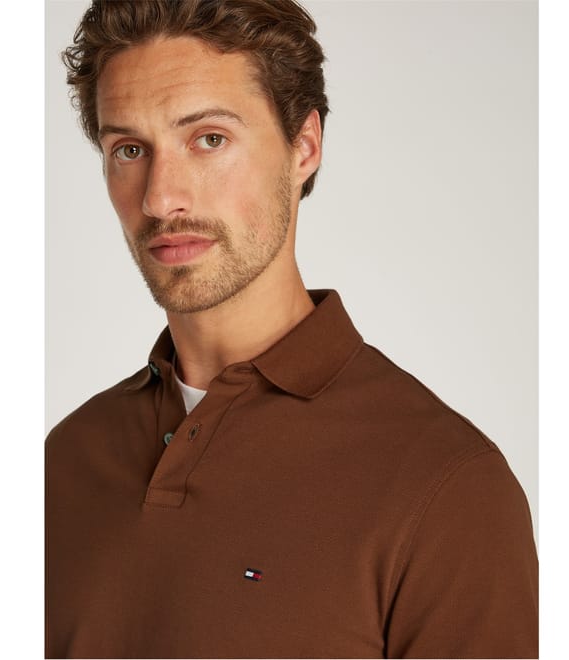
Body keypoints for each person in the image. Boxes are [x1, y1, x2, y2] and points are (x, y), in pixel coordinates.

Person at [45, 1, 538, 657]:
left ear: (303, 146)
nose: (161, 198)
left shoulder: (448, 488)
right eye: (129, 150)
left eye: (209, 139)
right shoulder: (64, 461)